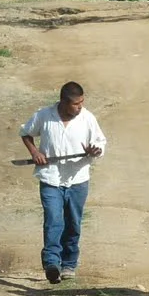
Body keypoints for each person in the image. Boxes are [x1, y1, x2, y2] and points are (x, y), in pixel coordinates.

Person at [20, 81, 107, 284]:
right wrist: (35, 152)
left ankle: (69, 263)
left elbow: (101, 143)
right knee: (53, 220)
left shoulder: (87, 118)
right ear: (63, 102)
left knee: (73, 222)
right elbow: (25, 132)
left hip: (78, 179)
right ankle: (51, 263)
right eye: (76, 104)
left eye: (82, 103)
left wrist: (95, 150)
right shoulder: (44, 116)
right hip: (50, 177)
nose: (80, 107)